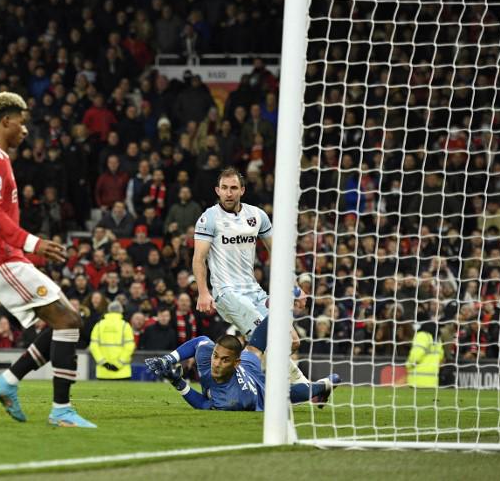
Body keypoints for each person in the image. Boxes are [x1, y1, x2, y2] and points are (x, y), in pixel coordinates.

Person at [0, 92, 95, 428]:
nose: (26, 130)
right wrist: (32, 242)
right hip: (2, 258)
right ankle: (61, 410)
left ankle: (8, 382)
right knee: (69, 321)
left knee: (64, 320)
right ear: (6, 121)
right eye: (23, 122)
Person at [193, 167, 308, 384]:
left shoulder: (257, 216)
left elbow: (279, 253)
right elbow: (199, 258)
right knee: (268, 337)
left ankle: (302, 388)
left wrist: (294, 287)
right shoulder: (209, 218)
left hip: (253, 290)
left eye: (234, 188)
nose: (229, 193)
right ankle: (298, 387)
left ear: (242, 190)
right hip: (227, 293)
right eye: (224, 188)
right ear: (217, 190)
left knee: (292, 341)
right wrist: (203, 292)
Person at [146, 316, 339, 410]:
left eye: (224, 360)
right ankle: (278, 309)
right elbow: (199, 341)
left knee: (299, 393)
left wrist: (178, 384)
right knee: (254, 349)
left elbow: (203, 404)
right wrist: (168, 359)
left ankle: (327, 383)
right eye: (216, 356)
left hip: (263, 394)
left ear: (234, 362)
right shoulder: (210, 356)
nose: (217, 363)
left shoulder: (233, 400)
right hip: (247, 365)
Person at [88, 300, 134, 379]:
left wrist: (104, 363)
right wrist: (119, 364)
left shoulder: (99, 325)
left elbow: (93, 347)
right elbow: (129, 347)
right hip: (122, 372)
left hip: (103, 372)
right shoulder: (125, 325)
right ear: (121, 310)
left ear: (108, 310)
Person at [406, 320, 443, 388]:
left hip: (417, 380)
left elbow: (416, 355)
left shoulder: (422, 335)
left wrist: (408, 365)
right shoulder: (438, 340)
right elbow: (441, 357)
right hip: (433, 381)